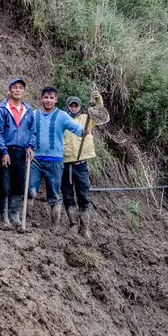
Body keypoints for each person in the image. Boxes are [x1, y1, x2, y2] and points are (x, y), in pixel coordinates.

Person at [29, 87, 85, 226]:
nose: (48, 100)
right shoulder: (33, 115)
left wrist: (85, 130)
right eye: (46, 97)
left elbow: (78, 129)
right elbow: (27, 133)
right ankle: (27, 222)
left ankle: (55, 227)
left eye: (51, 98)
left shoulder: (62, 116)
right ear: (41, 99)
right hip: (35, 159)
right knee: (30, 191)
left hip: (55, 161)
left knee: (54, 195)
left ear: (56, 100)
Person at [0, 78, 36, 228]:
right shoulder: (2, 109)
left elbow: (33, 131)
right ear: (9, 90)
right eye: (15, 87)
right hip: (5, 151)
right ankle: (4, 217)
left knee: (19, 184)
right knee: (4, 185)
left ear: (24, 92)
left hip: (21, 152)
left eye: (20, 88)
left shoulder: (28, 111)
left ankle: (15, 215)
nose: (17, 90)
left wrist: (30, 146)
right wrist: (3, 151)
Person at [61, 91, 101, 239]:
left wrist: (97, 99)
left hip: (81, 164)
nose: (73, 107)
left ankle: (85, 227)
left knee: (83, 195)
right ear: (67, 106)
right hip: (65, 164)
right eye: (70, 105)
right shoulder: (62, 119)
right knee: (67, 194)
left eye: (75, 105)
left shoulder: (87, 119)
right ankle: (73, 224)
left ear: (80, 106)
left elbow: (98, 112)